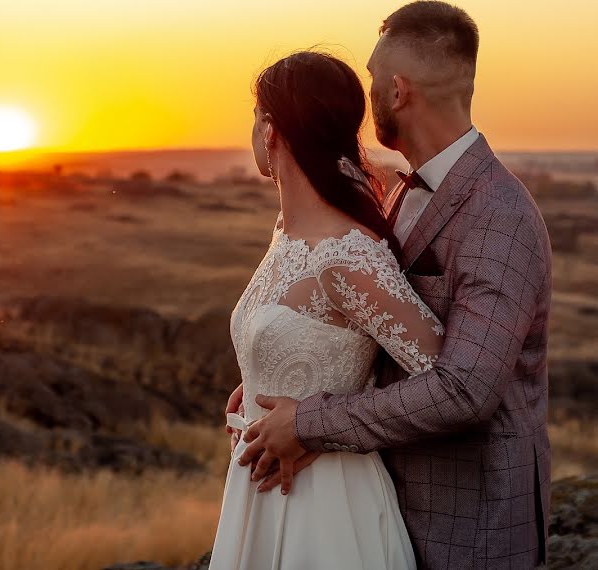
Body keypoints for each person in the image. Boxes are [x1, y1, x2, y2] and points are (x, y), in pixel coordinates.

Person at [228, 2, 552, 569]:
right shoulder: (397, 194)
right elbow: (365, 333)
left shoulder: (500, 216)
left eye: (375, 80)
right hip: (375, 495)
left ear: (398, 90)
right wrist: (279, 370)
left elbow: (464, 389)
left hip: (466, 525)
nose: (365, 97)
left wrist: (308, 421)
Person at [208, 48, 443, 569]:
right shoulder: (287, 234)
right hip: (261, 491)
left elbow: (443, 379)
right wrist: (260, 377)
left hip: (328, 502)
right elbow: (312, 341)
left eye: (254, 119)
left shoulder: (347, 254)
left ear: (270, 130)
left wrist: (322, 424)